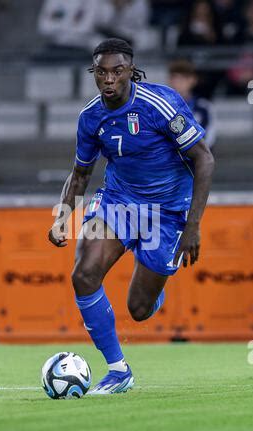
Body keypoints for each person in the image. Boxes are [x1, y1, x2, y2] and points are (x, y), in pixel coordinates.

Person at [49, 38, 215, 395]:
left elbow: (205, 159)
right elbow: (80, 173)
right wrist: (61, 217)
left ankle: (154, 284)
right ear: (95, 74)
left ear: (131, 71)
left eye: (117, 71)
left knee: (138, 309)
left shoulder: (161, 103)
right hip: (118, 202)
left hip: (168, 213)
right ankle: (118, 370)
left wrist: (193, 225)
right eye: (101, 72)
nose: (109, 79)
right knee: (83, 273)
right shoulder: (91, 117)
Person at [168, 59, 216, 150]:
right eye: (174, 78)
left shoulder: (204, 107)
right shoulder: (162, 106)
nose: (178, 83)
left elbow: (209, 139)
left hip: (196, 158)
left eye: (183, 78)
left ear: (193, 80)